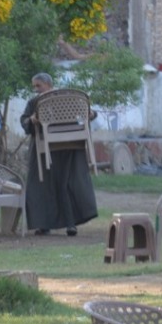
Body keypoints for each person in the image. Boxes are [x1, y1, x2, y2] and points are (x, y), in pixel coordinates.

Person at [19, 73, 98, 237]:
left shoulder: (65, 98)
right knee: (42, 186)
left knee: (67, 185)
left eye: (38, 85)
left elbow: (88, 112)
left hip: (66, 149)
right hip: (44, 151)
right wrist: (31, 120)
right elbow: (26, 122)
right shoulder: (35, 102)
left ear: (48, 84)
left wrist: (92, 114)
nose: (36, 89)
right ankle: (44, 224)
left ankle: (71, 224)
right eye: (34, 86)